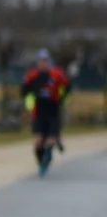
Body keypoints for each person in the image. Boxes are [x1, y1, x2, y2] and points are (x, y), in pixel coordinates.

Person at [20, 48, 70, 177]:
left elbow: (66, 87)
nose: (43, 64)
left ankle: (49, 155)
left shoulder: (56, 74)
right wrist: (28, 104)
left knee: (50, 140)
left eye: (45, 61)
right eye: (41, 61)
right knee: (38, 141)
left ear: (49, 62)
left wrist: (62, 100)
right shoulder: (32, 75)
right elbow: (24, 90)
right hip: (39, 111)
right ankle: (41, 162)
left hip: (53, 110)